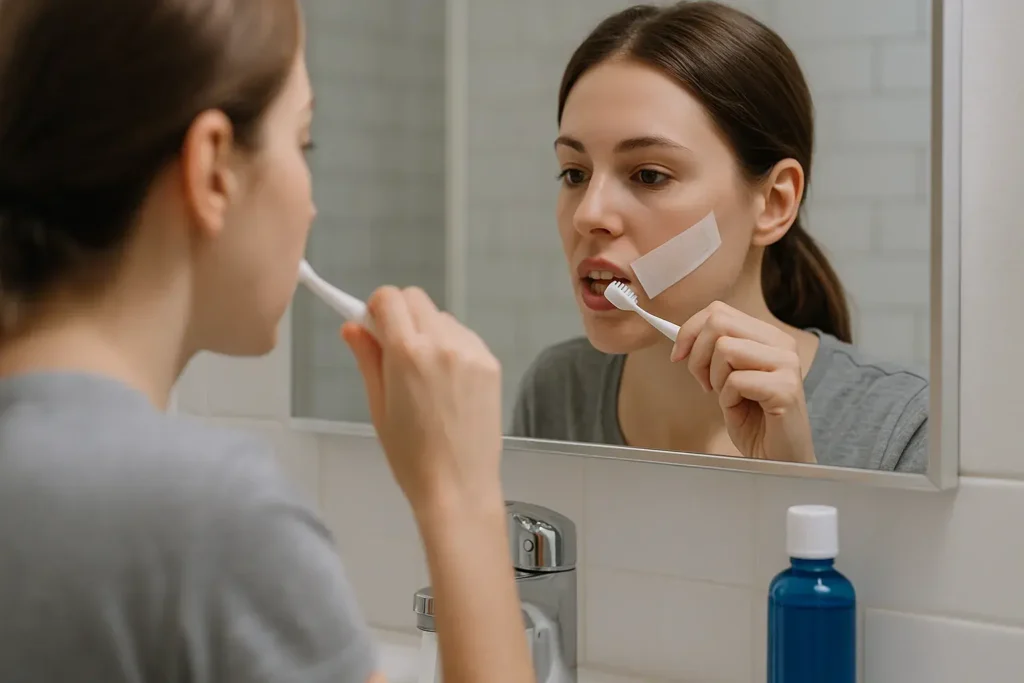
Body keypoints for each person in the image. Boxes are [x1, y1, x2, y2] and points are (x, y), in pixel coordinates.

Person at [0, 1, 532, 682]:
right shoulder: (207, 517)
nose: (311, 204)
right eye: (303, 142)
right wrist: (462, 496)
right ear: (213, 169)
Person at [509, 1, 928, 473]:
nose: (588, 214)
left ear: (774, 203)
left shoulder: (904, 426)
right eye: (574, 173)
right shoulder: (558, 391)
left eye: (649, 175)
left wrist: (796, 479)